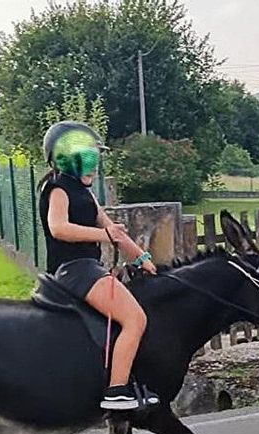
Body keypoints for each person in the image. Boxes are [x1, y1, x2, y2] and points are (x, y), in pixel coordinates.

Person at [38, 121, 159, 411]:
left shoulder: (85, 193)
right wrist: (103, 235)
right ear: (67, 158)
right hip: (73, 270)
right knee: (135, 320)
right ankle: (117, 391)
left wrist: (144, 260)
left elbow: (114, 231)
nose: (94, 166)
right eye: (88, 159)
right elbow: (58, 228)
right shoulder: (57, 189)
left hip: (87, 267)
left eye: (95, 159)